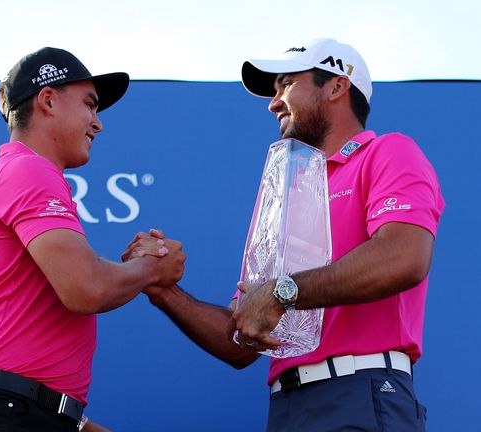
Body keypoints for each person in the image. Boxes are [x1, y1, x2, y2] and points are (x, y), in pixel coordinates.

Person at [125, 38, 445, 431]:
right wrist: (160, 286)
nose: (273, 103)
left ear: (336, 86)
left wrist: (282, 292)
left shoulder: (387, 152)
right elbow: (241, 341)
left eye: (287, 84)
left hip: (362, 390)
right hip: (287, 407)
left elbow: (403, 257)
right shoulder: (285, 194)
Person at [0, 47, 186, 432]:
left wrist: (74, 423)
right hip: (2, 415)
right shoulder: (28, 169)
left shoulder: (22, 171)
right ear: (48, 100)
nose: (97, 124)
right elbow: (87, 287)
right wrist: (153, 267)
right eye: (90, 105)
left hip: (18, 412)